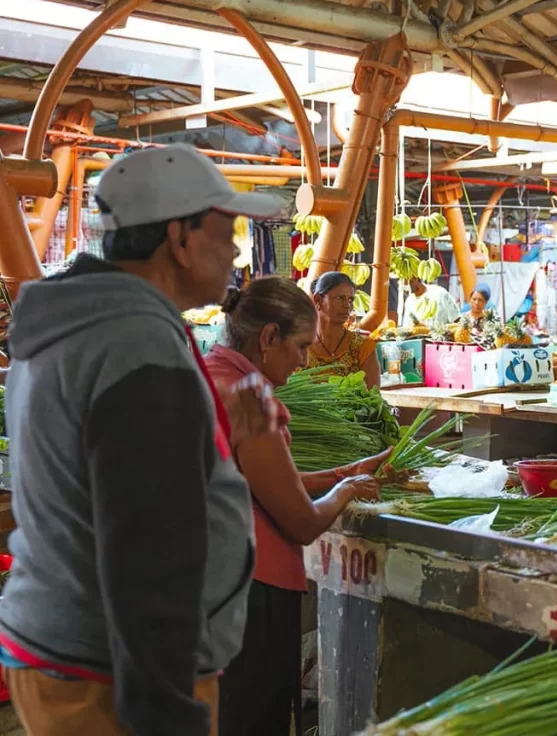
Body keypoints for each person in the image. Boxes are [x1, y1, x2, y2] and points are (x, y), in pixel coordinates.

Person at [0, 144, 284, 735]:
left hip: (65, 650)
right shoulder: (136, 348)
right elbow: (147, 553)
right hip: (111, 673)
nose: (235, 250)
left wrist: (206, 434)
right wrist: (166, 711)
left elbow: (97, 468)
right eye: (225, 229)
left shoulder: (77, 321)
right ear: (179, 239)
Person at [205, 277, 386, 735]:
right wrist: (343, 494)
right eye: (301, 346)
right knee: (254, 719)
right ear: (268, 338)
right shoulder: (250, 398)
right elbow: (303, 522)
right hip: (252, 591)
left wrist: (341, 475)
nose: (305, 360)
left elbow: (258, 483)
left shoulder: (211, 375)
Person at [305, 271, 381, 388]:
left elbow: (373, 397)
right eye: (340, 298)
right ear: (318, 300)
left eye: (350, 300)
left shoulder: (363, 347)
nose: (347, 305)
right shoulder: (300, 346)